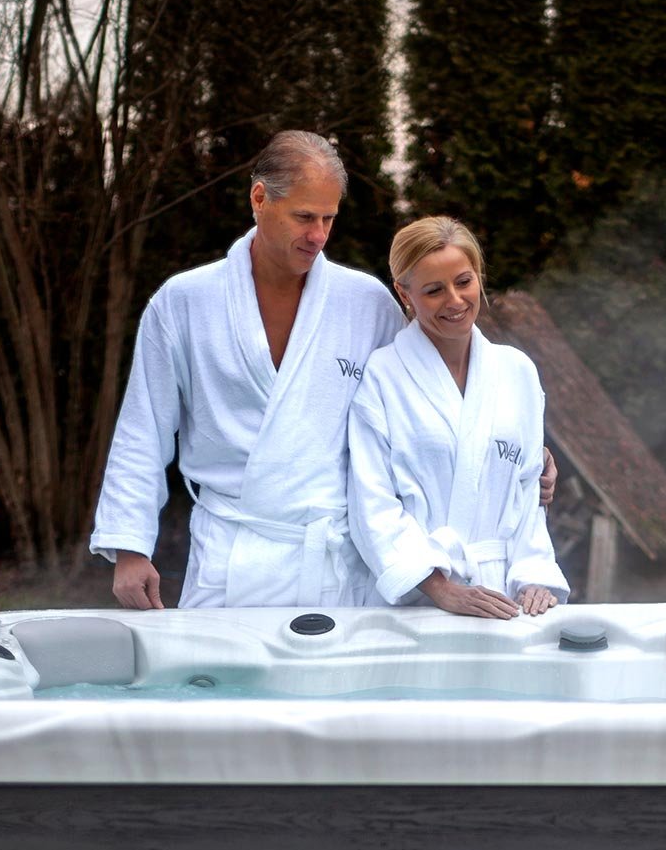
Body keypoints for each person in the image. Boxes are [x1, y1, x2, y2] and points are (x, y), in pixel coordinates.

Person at [91, 132, 557, 610]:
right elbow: (143, 430)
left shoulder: (366, 303)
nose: (318, 235)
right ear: (259, 199)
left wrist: (519, 454)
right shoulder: (184, 303)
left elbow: (429, 402)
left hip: (340, 561)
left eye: (329, 218)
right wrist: (130, 548)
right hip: (231, 555)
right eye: (304, 217)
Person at [347, 216, 568, 619]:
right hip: (417, 601)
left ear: (479, 277)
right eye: (434, 290)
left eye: (464, 281)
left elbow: (527, 492)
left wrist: (533, 575)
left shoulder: (516, 371)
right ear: (404, 293)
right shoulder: (382, 376)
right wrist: (441, 590)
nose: (455, 301)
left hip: (503, 597)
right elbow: (371, 502)